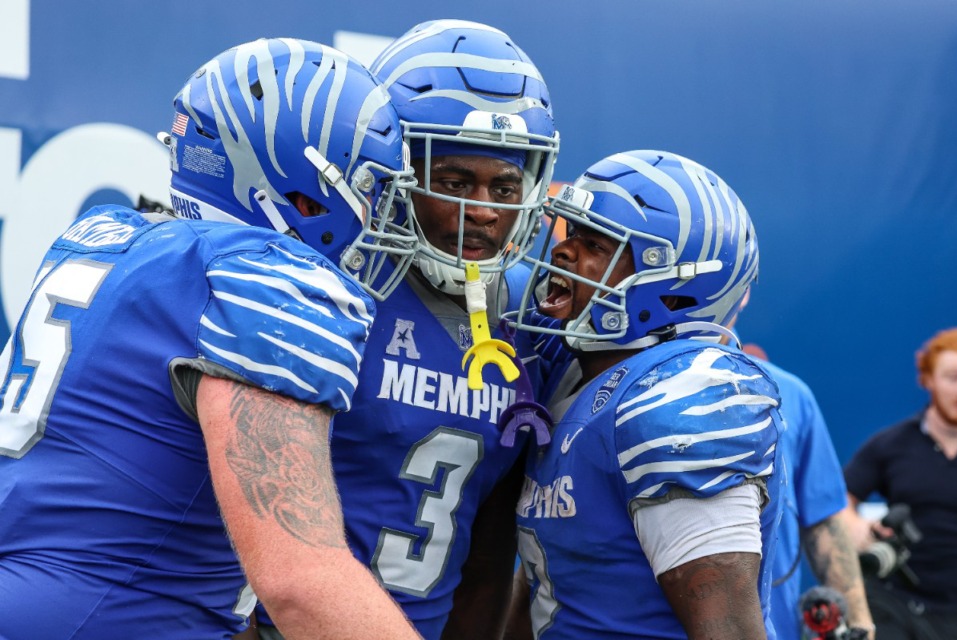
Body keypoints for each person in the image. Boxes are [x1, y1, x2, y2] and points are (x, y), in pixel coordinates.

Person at [0, 38, 422, 640]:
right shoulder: (266, 279)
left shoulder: (105, 236)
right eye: (373, 192)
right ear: (302, 196)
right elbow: (300, 580)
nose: (385, 220)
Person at [258, 19, 560, 640]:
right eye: (453, 181)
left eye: (505, 186)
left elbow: (485, 558)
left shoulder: (530, 319)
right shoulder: (328, 288)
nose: (483, 210)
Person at [503, 149, 785, 639]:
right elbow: (551, 585)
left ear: (671, 294)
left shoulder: (680, 396)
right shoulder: (569, 373)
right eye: (572, 235)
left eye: (598, 245)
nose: (563, 253)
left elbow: (731, 630)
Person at [729, 299, 874, 640]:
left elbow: (825, 522)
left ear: (746, 290)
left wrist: (860, 626)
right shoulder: (612, 386)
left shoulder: (790, 394)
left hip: (774, 628)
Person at [843, 327, 957, 639]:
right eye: (952, 377)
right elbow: (839, 501)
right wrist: (861, 532)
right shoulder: (891, 444)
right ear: (928, 379)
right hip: (896, 605)